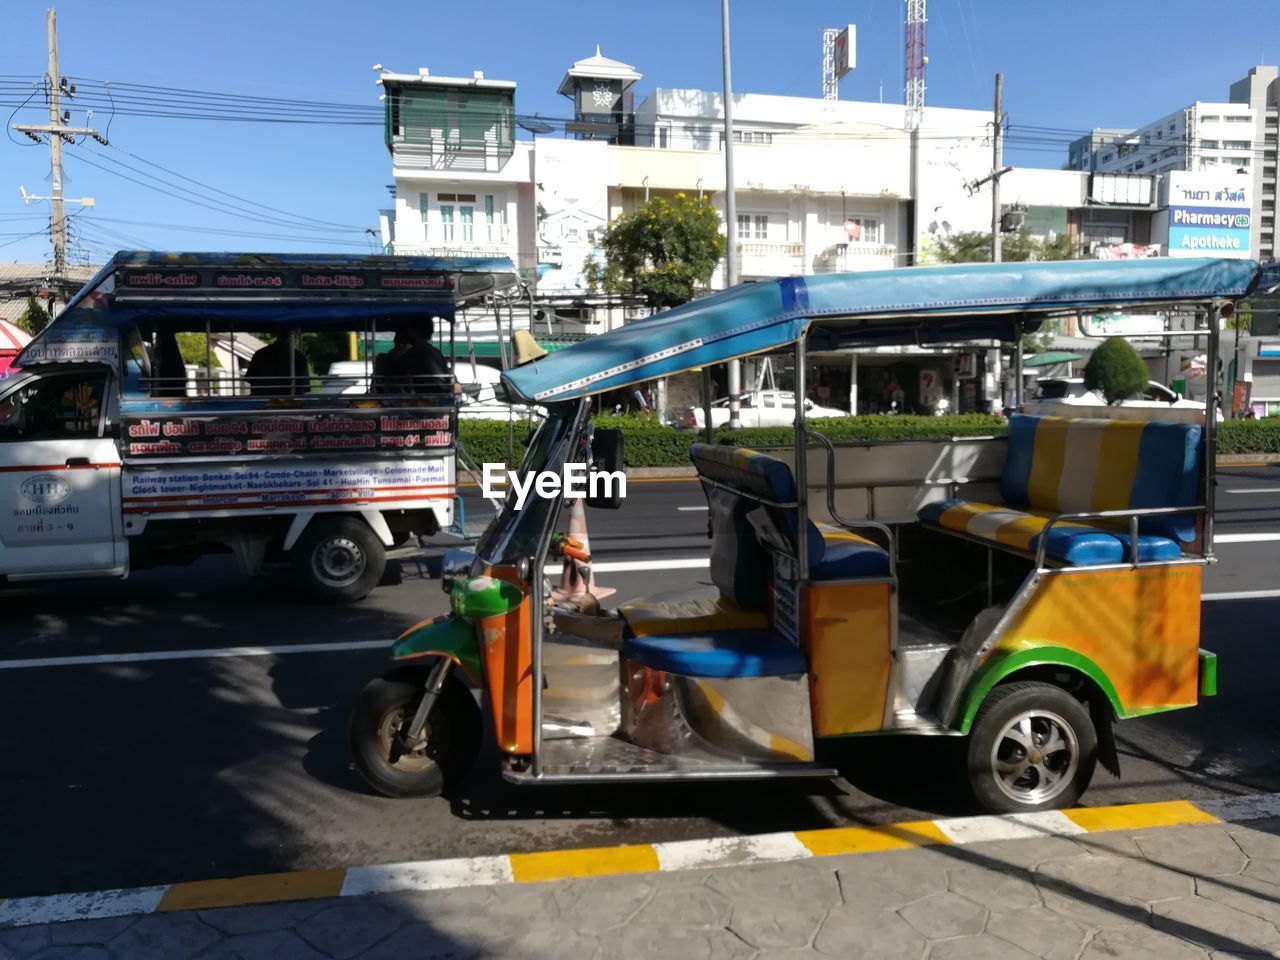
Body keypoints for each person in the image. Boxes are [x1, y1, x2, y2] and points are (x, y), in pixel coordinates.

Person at [397, 317, 450, 392]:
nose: (404, 333)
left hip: (425, 398)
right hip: (439, 396)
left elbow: (399, 375)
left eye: (407, 329)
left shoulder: (414, 353)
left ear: (416, 331)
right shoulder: (436, 352)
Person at [245, 335, 310, 397]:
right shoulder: (299, 357)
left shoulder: (260, 354)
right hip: (291, 401)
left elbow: (250, 378)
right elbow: (303, 385)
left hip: (261, 399)